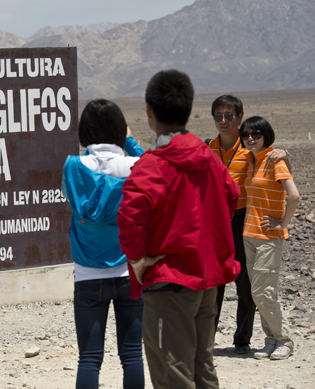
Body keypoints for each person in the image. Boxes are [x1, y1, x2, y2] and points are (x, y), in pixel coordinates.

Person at [117, 69, 240, 389]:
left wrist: (138, 260)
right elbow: (232, 196)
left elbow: (129, 218)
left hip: (169, 284)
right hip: (206, 282)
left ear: (149, 112)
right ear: (188, 112)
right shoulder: (211, 160)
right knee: (203, 369)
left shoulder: (151, 165)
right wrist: (207, 240)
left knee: (173, 373)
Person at [62, 99, 154, 389]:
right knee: (132, 355)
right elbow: (160, 170)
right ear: (118, 129)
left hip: (88, 274)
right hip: (131, 272)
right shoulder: (136, 166)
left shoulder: (73, 167)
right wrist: (131, 142)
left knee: (89, 358)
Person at [207, 95, 289, 355]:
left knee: (245, 283)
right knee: (214, 283)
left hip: (243, 220)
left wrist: (285, 151)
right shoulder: (210, 147)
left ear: (239, 117)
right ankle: (206, 341)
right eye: (218, 115)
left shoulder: (250, 148)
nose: (223, 120)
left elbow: (275, 163)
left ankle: (242, 340)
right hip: (216, 222)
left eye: (228, 115)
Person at [239, 116, 300, 360]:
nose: (250, 138)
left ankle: (285, 340)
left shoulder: (276, 160)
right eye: (246, 135)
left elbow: (294, 196)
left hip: (268, 237)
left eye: (256, 134)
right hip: (249, 234)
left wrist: (282, 224)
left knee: (264, 292)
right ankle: (271, 340)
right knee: (258, 293)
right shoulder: (252, 160)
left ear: (266, 135)